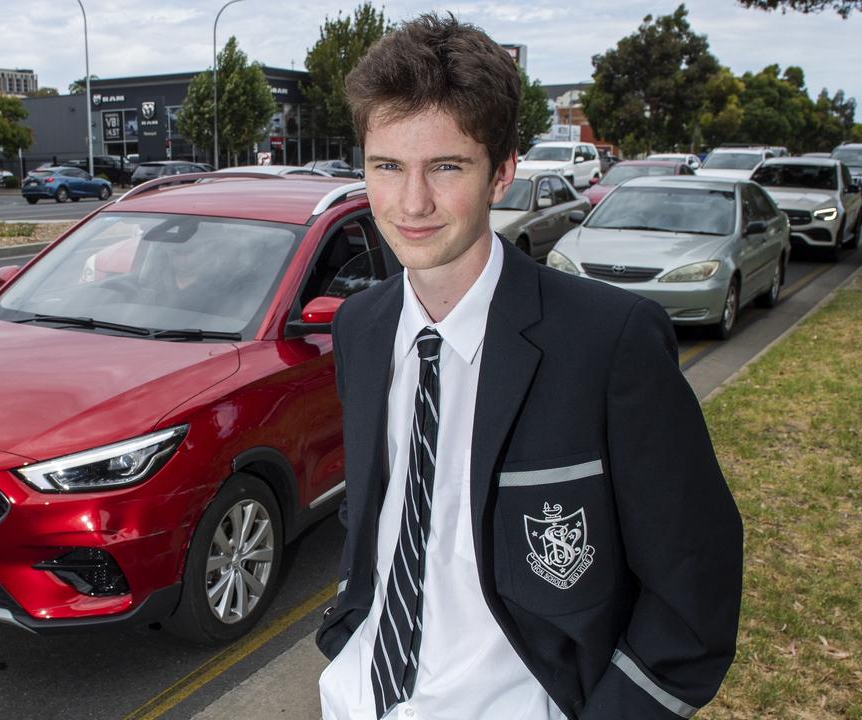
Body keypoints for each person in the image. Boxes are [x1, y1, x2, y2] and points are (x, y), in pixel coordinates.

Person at [316, 14, 742, 720]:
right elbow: (379, 517)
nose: (412, 202)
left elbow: (695, 588)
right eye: (387, 166)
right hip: (359, 697)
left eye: (445, 166)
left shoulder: (609, 342)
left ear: (503, 171)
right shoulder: (362, 329)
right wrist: (348, 621)